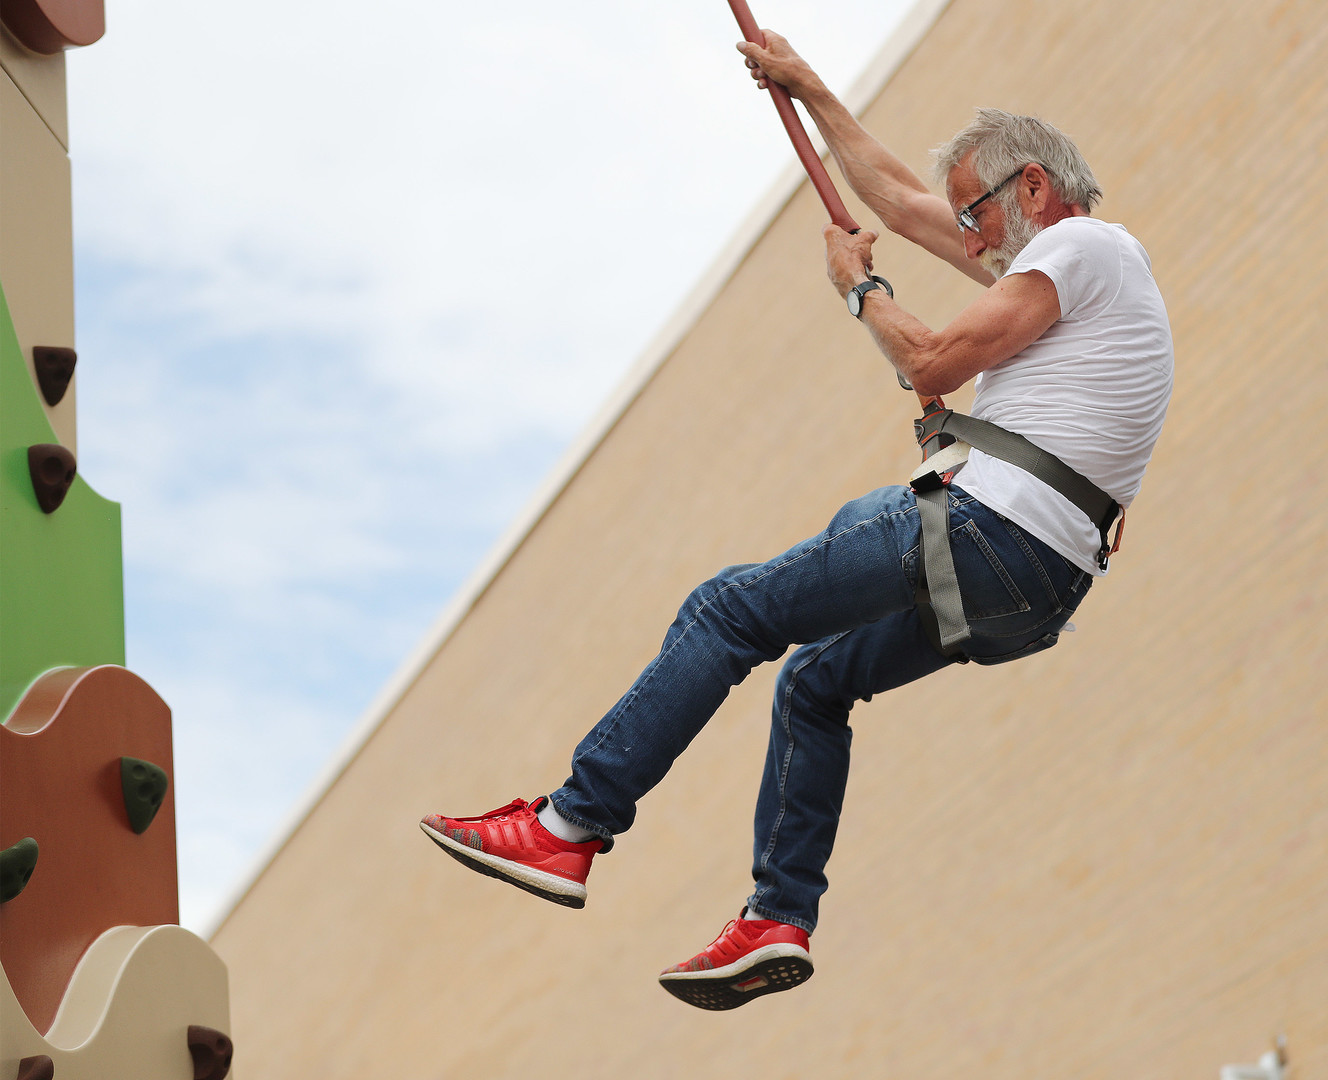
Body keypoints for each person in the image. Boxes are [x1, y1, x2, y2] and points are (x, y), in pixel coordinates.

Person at [421, 30, 1173, 1011]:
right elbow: (896, 201)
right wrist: (806, 86)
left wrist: (859, 291)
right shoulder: (1076, 280)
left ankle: (568, 827)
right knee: (813, 685)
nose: (969, 240)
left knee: (727, 612)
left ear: (1031, 189)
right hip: (1031, 590)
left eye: (977, 215)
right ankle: (777, 916)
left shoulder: (1079, 245)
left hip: (985, 528)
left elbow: (931, 361)